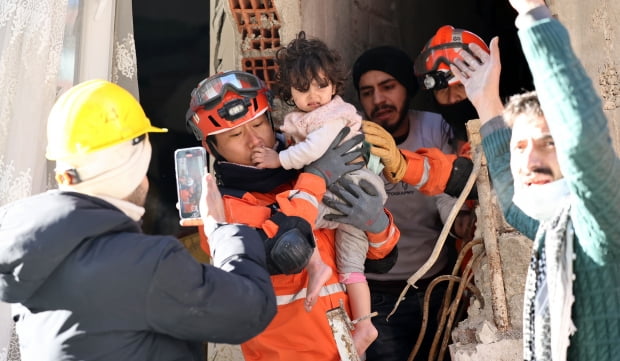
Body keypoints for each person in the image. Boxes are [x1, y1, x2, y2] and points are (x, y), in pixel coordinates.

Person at [0, 79, 277, 361]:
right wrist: (221, 228)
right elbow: (251, 309)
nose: (146, 180)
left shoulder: (30, 251)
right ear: (128, 166)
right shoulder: (146, 265)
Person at [185, 70, 400, 360]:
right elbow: (290, 249)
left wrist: (378, 224)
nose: (254, 140)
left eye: (259, 124)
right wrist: (316, 177)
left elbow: (381, 258)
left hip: (347, 347)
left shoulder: (304, 164)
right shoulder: (222, 209)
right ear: (209, 147)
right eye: (236, 134)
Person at [450, 0, 620, 360]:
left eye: (549, 143)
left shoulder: (601, 219)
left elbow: (583, 132)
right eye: (520, 146)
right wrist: (485, 102)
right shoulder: (555, 227)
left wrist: (532, 13)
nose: (529, 159)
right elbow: (512, 204)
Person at [251, 31, 385, 353]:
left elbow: (312, 152)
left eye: (321, 85)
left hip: (350, 190)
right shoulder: (312, 116)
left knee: (296, 218)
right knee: (352, 268)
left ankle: (314, 265)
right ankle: (365, 324)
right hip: (356, 197)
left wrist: (277, 159)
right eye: (302, 88)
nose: (314, 95)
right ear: (288, 92)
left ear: (335, 85)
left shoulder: (330, 117)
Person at [353, 45, 474, 361]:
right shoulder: (353, 141)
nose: (378, 100)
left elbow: (446, 192)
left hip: (436, 286)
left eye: (388, 87)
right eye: (367, 92)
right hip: (379, 297)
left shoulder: (434, 127)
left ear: (408, 87)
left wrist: (458, 216)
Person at [414, 25, 490, 155]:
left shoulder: (518, 127)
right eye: (443, 91)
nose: (452, 98)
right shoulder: (437, 137)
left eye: (461, 86)